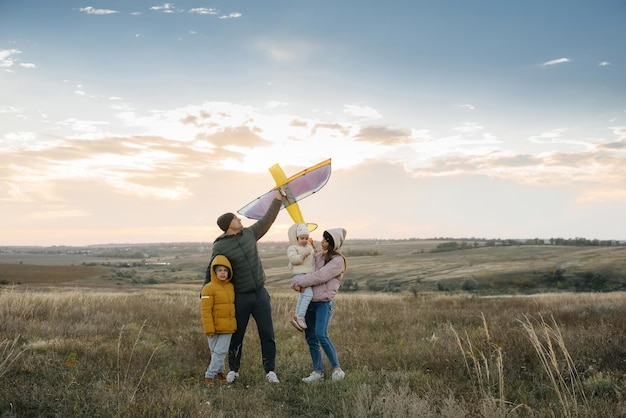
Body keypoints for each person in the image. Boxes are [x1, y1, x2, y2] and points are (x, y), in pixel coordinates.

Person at [202, 191, 284, 384]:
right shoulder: (220, 246)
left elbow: (267, 220)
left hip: (260, 294)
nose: (240, 219)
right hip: (240, 296)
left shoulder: (249, 233)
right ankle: (234, 370)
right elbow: (211, 269)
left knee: (267, 333)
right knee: (236, 335)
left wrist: (278, 200)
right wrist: (205, 294)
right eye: (235, 218)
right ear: (228, 225)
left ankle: (270, 370)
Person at [291, 227, 347, 383]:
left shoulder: (338, 261)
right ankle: (318, 372)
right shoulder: (319, 255)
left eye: (325, 240)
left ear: (332, 243)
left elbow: (319, 276)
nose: (321, 242)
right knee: (310, 338)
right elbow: (304, 269)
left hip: (323, 304)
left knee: (321, 335)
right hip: (310, 303)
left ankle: (337, 369)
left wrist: (299, 283)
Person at [200, 255, 236, 387]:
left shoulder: (231, 287)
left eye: (225, 270)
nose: (223, 273)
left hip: (227, 327)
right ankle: (220, 374)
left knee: (220, 352)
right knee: (215, 353)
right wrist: (209, 328)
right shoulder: (208, 288)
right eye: (220, 270)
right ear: (214, 272)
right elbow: (205, 310)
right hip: (213, 328)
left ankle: (209, 376)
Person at [286, 223, 315, 331]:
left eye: (306, 238)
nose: (304, 240)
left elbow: (312, 259)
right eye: (302, 238)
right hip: (298, 274)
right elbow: (293, 259)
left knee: (303, 295)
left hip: (307, 274)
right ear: (297, 237)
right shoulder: (292, 247)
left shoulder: (309, 247)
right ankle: (301, 316)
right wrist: (302, 256)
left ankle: (297, 315)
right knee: (308, 294)